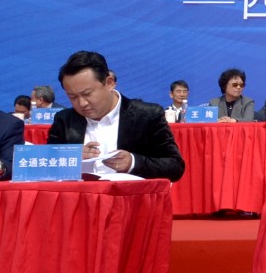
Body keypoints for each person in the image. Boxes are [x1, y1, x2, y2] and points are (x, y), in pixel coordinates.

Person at [47, 50, 185, 181]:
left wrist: (133, 162)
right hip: (81, 197)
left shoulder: (147, 115)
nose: (82, 103)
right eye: (72, 97)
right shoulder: (64, 120)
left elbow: (175, 167)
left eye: (87, 94)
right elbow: (45, 166)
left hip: (131, 196)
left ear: (109, 83)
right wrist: (71, 158)